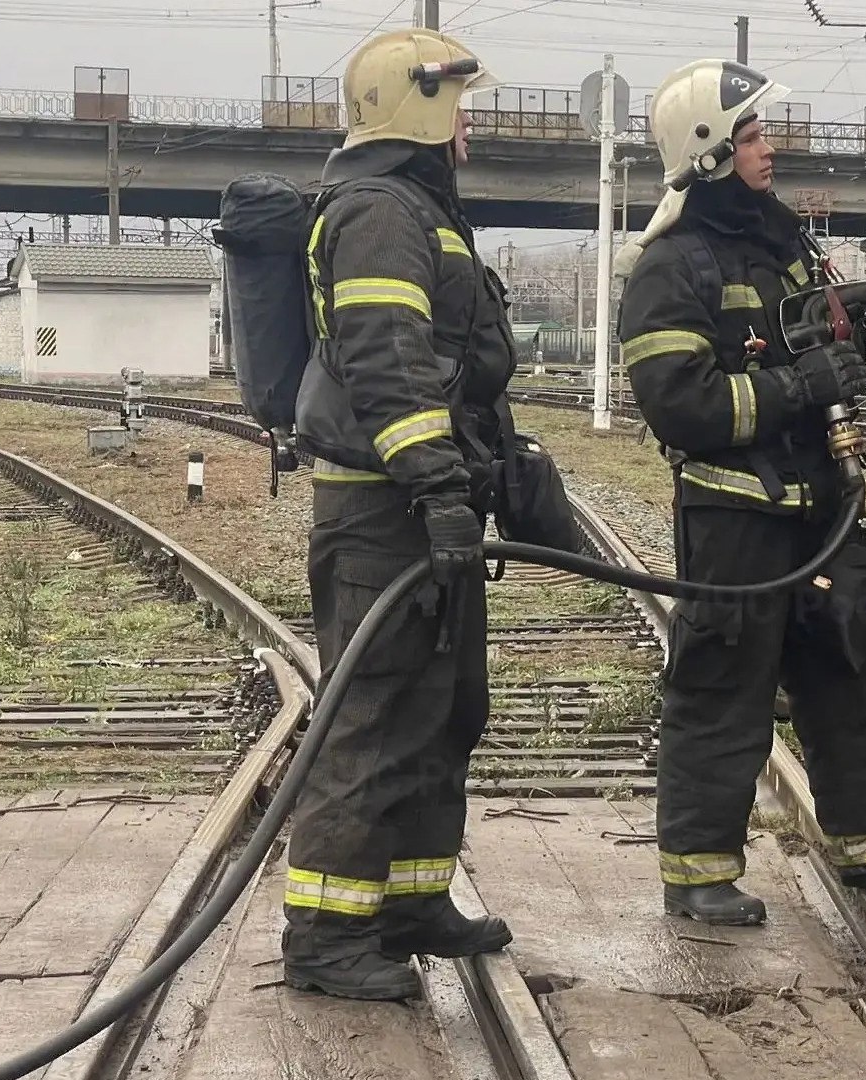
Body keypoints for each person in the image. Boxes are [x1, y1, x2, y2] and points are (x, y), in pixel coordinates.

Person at [611, 58, 866, 926]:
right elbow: (678, 403)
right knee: (721, 686)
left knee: (851, 670)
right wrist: (795, 390)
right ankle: (697, 873)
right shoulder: (673, 266)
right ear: (710, 151)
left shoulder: (787, 250)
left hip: (819, 505)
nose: (770, 146)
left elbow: (847, 362)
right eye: (755, 135)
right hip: (734, 515)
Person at [280, 27, 519, 1000]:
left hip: (420, 500)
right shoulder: (380, 210)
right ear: (418, 104)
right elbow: (386, 360)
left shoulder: (416, 206)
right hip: (384, 508)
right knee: (371, 715)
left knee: (441, 708)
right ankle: (327, 938)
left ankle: (410, 899)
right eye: (456, 103)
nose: (468, 123)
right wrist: (435, 484)